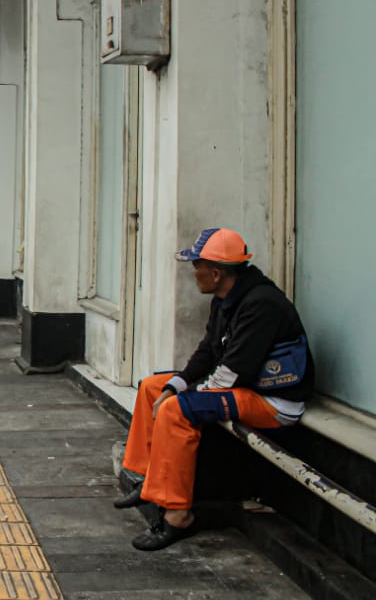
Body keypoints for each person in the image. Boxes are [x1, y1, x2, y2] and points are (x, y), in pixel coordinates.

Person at [116, 227, 313, 551]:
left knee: (177, 410)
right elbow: (208, 350)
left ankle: (178, 516)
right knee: (154, 388)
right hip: (243, 388)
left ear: (216, 272)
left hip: (273, 402)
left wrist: (184, 397)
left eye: (197, 266)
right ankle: (145, 477)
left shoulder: (261, 305)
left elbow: (234, 372)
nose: (194, 273)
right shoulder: (225, 300)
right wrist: (173, 386)